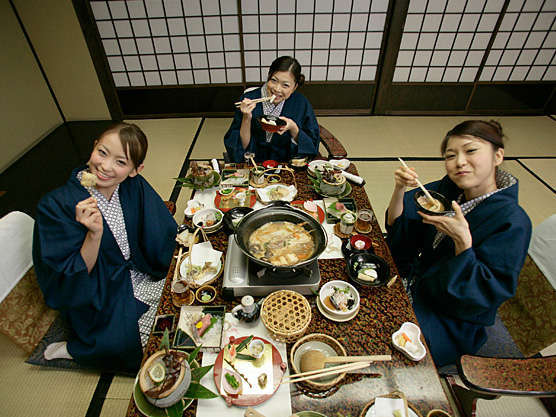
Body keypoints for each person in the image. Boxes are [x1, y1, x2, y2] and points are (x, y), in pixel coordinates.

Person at [32, 123, 177, 372]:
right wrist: (94, 235)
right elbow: (65, 277)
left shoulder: (133, 186)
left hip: (139, 273)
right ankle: (78, 349)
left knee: (182, 301)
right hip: (99, 292)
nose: (106, 166)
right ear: (94, 147)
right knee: (149, 350)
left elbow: (159, 228)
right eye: (102, 152)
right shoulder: (55, 206)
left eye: (121, 162)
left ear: (135, 169)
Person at [385, 120, 531, 366]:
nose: (459, 161)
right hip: (421, 285)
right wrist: (400, 188)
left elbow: (484, 296)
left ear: (498, 156)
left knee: (392, 349)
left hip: (451, 318)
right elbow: (405, 232)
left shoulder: (513, 222)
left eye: (471, 151)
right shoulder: (450, 189)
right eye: (451, 155)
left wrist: (463, 244)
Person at [224, 56, 320, 163]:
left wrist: (293, 128)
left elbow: (311, 144)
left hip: (285, 163)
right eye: (274, 80)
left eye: (286, 85)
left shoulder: (301, 103)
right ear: (269, 76)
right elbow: (240, 147)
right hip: (254, 162)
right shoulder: (249, 100)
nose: (277, 89)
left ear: (295, 87)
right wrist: (247, 118)